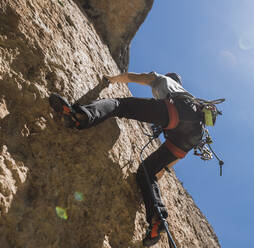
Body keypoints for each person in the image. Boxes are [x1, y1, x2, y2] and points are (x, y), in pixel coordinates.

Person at [49, 72, 212, 246]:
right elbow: (167, 164)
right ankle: (157, 219)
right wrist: (156, 176)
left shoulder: (163, 80)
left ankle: (81, 115)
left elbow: (134, 77)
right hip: (190, 138)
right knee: (146, 172)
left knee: (120, 105)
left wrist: (111, 79)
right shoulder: (193, 100)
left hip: (174, 113)